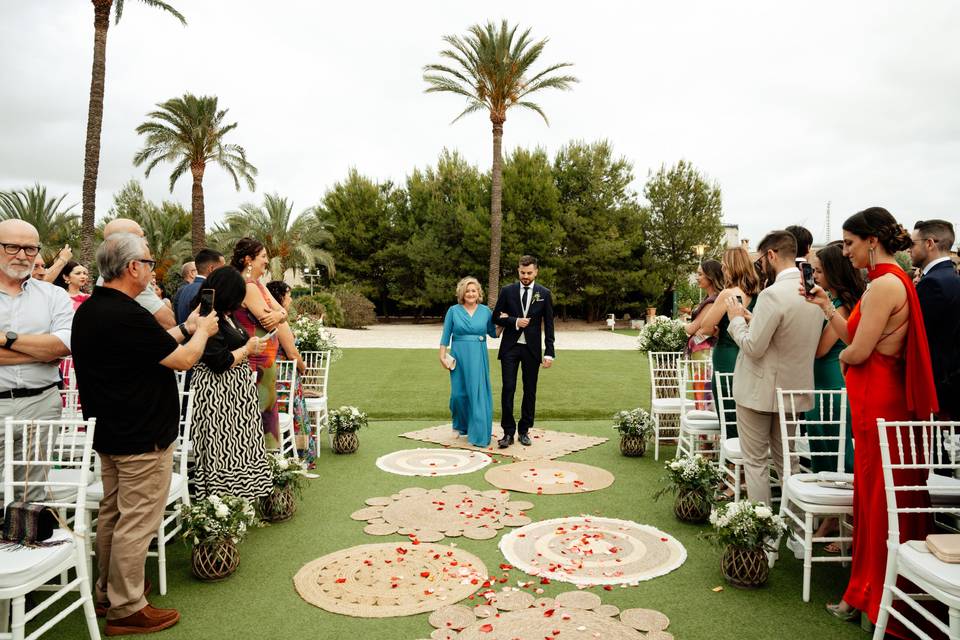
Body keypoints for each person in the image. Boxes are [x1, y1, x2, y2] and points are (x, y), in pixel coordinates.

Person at [72, 231, 219, 635]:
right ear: (133, 267)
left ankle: (108, 590)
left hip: (111, 433)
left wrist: (186, 327)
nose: (154, 272)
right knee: (136, 521)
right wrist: (203, 331)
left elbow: (149, 347)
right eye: (150, 263)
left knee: (114, 514)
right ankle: (127, 606)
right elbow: (185, 360)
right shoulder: (127, 314)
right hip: (142, 435)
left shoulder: (92, 310)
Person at [803, 207, 938, 631]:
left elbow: (858, 351)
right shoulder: (883, 283)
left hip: (882, 404)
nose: (846, 251)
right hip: (874, 404)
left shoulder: (884, 285)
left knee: (880, 503)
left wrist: (839, 358)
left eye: (849, 243)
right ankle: (862, 592)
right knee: (870, 499)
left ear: (871, 242)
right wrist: (827, 306)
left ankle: (875, 596)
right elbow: (856, 336)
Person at [725, 230, 822, 506]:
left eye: (762, 259)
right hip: (793, 391)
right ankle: (793, 527)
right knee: (787, 461)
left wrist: (736, 320)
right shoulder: (812, 293)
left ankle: (762, 534)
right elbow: (786, 336)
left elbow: (754, 347)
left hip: (758, 390)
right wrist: (752, 317)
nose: (761, 266)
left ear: (771, 255)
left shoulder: (772, 294)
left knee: (755, 462)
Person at [0, 219, 73, 500]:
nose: (22, 255)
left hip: (41, 406)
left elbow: (62, 346)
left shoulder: (53, 295)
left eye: (30, 249)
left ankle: (25, 543)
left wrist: (7, 339)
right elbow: (48, 349)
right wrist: (37, 352)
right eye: (12, 247)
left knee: (32, 496)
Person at [189, 267, 272, 501]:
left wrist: (251, 345)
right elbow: (219, 361)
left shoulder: (226, 313)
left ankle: (247, 495)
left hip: (238, 394)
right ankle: (225, 502)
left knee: (244, 446)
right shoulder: (207, 318)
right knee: (223, 448)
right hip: (218, 395)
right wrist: (248, 349)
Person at [805, 242, 863, 475]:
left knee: (835, 446)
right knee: (820, 444)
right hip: (819, 381)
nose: (815, 276)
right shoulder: (829, 301)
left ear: (834, 270)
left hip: (831, 383)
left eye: (819, 271)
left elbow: (820, 348)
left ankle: (842, 499)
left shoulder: (841, 308)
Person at [696, 247, 762, 440]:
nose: (723, 269)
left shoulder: (727, 294)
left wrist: (716, 329)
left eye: (725, 265)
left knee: (728, 412)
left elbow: (706, 326)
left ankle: (733, 462)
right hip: (750, 355)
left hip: (726, 355)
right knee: (747, 411)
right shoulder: (759, 294)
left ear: (731, 268)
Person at [492, 255, 555, 448]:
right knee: (508, 389)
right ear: (518, 270)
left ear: (536, 271)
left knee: (530, 390)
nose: (525, 276)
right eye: (522, 272)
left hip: (532, 350)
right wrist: (514, 321)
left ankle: (524, 430)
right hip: (510, 348)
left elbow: (549, 324)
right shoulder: (507, 291)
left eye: (529, 273)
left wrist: (549, 352)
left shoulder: (544, 293)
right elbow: (495, 317)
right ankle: (508, 433)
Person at [230, 238, 285, 449]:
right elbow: (267, 319)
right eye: (262, 256)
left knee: (267, 408)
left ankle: (270, 460)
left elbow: (282, 312)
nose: (267, 261)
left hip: (265, 359)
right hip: (257, 361)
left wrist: (279, 314)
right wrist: (278, 314)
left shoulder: (259, 285)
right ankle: (265, 460)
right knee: (261, 409)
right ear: (248, 260)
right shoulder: (248, 286)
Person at [439, 277, 498, 447]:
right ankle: (459, 424)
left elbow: (493, 333)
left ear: (479, 293)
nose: (471, 294)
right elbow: (445, 335)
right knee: (458, 394)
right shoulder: (453, 311)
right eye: (467, 291)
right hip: (458, 355)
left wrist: (505, 321)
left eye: (474, 290)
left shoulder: (486, 311)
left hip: (478, 355)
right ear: (462, 293)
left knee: (477, 393)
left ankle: (478, 433)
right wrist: (442, 356)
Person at [911, 219, 960, 418]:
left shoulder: (933, 283)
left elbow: (920, 334)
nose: (909, 249)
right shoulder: (951, 277)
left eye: (912, 243)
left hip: (940, 384)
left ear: (929, 243)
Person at [266, 279, 314, 467]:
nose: (291, 300)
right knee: (295, 412)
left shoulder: (264, 316)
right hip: (284, 375)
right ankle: (300, 456)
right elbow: (292, 353)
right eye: (289, 295)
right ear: (280, 297)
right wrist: (303, 368)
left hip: (271, 374)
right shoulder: (280, 322)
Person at [97, 218, 176, 329]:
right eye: (140, 237)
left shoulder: (106, 280)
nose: (146, 242)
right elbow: (169, 322)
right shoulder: (130, 282)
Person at [683, 259, 724, 362]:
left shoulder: (712, 301)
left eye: (700, 274)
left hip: (704, 353)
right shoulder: (708, 298)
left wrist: (681, 324)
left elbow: (691, 329)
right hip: (700, 351)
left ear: (711, 277)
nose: (697, 278)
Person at [175, 249, 225, 324]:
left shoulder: (184, 289)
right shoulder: (207, 291)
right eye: (223, 268)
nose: (225, 272)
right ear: (211, 269)